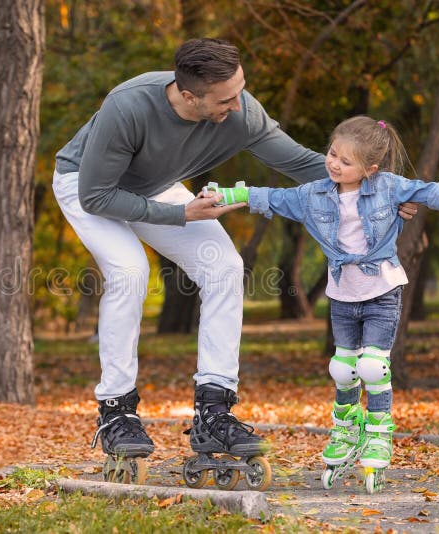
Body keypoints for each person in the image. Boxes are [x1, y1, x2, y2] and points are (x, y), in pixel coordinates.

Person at [52, 38, 416, 464]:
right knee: (130, 271)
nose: (238, 104)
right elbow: (97, 197)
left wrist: (381, 190)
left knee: (225, 266)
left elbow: (301, 163)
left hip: (152, 189)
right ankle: (116, 412)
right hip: (87, 186)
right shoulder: (128, 107)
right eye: (226, 98)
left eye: (241, 89)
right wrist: (182, 214)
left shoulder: (240, 110)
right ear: (189, 95)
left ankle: (214, 410)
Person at [205, 115, 439, 486]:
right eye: (332, 154)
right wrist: (230, 195)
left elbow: (427, 191)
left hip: (382, 289)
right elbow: (272, 197)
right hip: (342, 294)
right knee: (343, 368)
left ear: (369, 169)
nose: (334, 163)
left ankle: (380, 431)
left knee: (373, 367)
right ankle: (347, 428)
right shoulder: (314, 194)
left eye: (345, 161)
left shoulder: (387, 188)